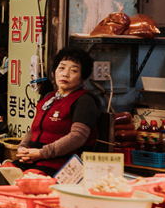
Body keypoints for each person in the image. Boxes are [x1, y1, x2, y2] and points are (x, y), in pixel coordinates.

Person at [14, 46, 100, 175]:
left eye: (74, 70)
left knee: (28, 181)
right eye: (61, 68)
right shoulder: (49, 97)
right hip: (32, 159)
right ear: (55, 71)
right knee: (2, 173)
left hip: (61, 163)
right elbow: (33, 130)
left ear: (82, 78)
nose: (65, 74)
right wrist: (22, 148)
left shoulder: (85, 100)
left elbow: (77, 137)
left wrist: (41, 153)